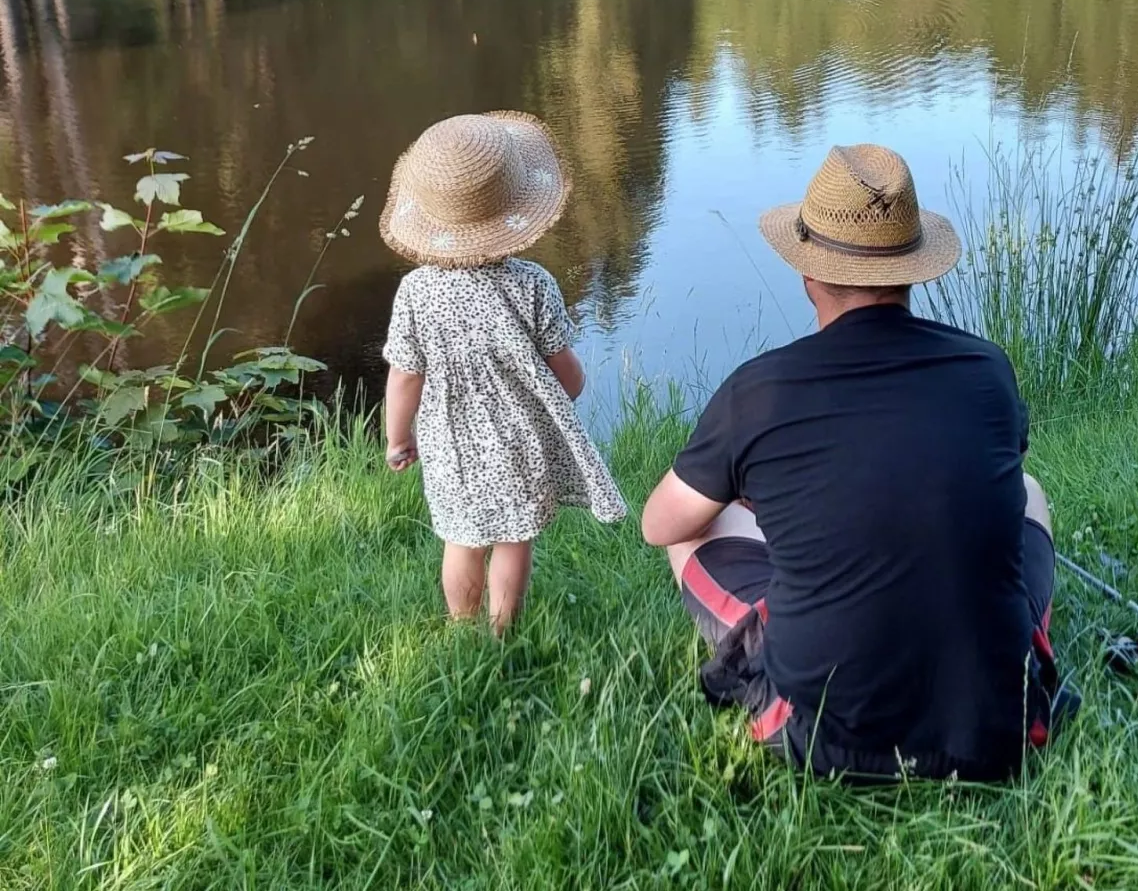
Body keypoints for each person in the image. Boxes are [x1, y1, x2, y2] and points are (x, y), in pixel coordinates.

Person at [641, 144, 1066, 782]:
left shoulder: (759, 391)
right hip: (999, 723)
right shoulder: (988, 369)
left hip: (821, 735)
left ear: (807, 275)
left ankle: (772, 662)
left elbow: (658, 523)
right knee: (1030, 492)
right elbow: (997, 468)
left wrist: (748, 493)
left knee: (695, 528)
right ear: (913, 271)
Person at [380, 112, 627, 635]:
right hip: (520, 441)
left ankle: (462, 627)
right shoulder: (532, 284)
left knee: (460, 538)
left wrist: (398, 438)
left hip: (448, 441)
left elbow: (404, 377)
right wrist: (562, 396)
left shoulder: (415, 293)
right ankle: (501, 632)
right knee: (514, 539)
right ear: (513, 207)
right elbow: (569, 374)